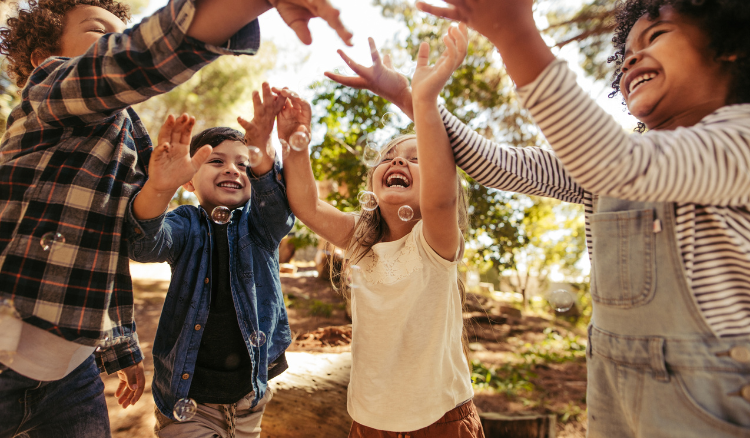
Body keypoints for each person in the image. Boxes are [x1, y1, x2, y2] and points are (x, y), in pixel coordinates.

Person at [327, 0, 750, 436]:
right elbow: (496, 164)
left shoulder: (740, 140)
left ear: (729, 47)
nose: (632, 58)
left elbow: (622, 163)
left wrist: (515, 35)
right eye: (624, 54)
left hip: (712, 397)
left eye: (656, 36)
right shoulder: (599, 168)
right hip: (615, 389)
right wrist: (413, 97)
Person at [0, 0, 350, 436]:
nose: (113, 41)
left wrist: (123, 347)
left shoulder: (129, 136)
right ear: (42, 58)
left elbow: (107, 248)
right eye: (98, 32)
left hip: (72, 369)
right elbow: (144, 239)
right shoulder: (47, 93)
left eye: (118, 31)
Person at [275, 25, 484, 438]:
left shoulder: (435, 242)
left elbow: (440, 199)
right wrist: (295, 145)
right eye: (388, 156)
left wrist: (421, 100)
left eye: (416, 156)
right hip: (370, 421)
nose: (398, 162)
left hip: (440, 420)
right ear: (373, 180)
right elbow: (308, 205)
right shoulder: (361, 240)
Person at [126, 82, 293, 438]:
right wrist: (158, 187)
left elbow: (280, 212)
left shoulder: (259, 225)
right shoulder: (185, 223)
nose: (233, 169)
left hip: (249, 396)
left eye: (244, 164)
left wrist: (263, 153)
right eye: (216, 161)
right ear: (188, 180)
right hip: (188, 399)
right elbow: (144, 246)